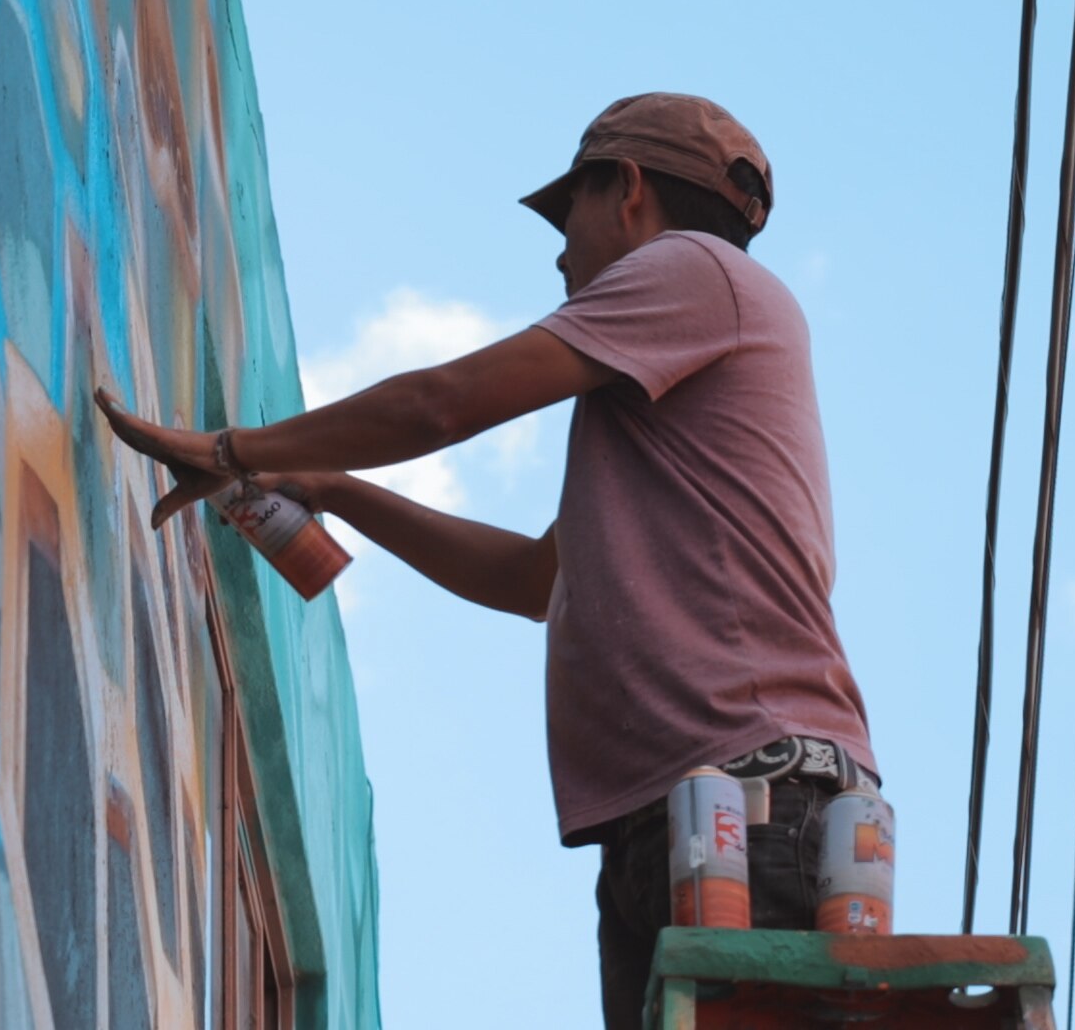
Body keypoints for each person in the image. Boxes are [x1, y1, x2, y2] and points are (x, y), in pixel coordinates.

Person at [96, 92, 877, 1028]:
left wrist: (233, 449)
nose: (560, 254)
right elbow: (536, 581)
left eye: (569, 213)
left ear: (628, 189)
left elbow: (443, 404)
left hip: (751, 793)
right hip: (681, 809)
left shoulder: (695, 272)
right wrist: (336, 488)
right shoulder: (669, 379)